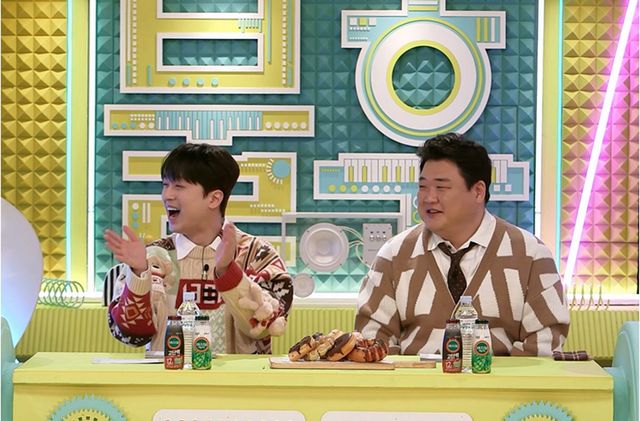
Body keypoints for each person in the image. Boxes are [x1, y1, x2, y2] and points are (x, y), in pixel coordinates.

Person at [355, 133, 570, 356]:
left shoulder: (531, 254)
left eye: (441, 187)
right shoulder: (394, 255)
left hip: (500, 378)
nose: (428, 198)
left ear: (478, 191)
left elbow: (544, 344)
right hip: (416, 379)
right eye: (423, 186)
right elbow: (373, 340)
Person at [104, 143, 293, 354]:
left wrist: (227, 272)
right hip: (168, 375)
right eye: (165, 185)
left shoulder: (258, 255)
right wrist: (139, 276)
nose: (167, 195)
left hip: (238, 376)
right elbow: (130, 335)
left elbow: (265, 328)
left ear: (214, 198)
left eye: (178, 186)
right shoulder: (154, 256)